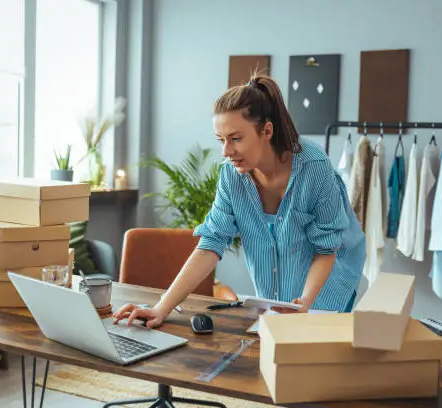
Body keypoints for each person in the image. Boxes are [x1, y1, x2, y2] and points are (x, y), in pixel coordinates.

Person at [114, 74, 366, 329]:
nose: (226, 151)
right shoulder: (231, 176)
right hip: (279, 297)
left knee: (314, 359)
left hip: (328, 283)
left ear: (267, 130)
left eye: (235, 139)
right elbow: (211, 243)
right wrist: (161, 308)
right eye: (221, 140)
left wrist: (306, 302)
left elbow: (326, 249)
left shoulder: (314, 168)